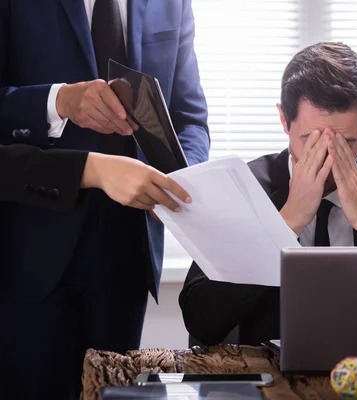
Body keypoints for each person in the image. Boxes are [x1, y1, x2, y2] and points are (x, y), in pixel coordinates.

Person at [0, 0, 209, 398]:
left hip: (129, 251)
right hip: (27, 250)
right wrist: (58, 101)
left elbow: (190, 117)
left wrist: (182, 181)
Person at [179, 42, 357, 347]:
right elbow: (202, 320)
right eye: (311, 140)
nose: (329, 157)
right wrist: (284, 225)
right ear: (284, 121)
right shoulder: (237, 190)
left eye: (347, 143)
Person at [0, 144, 189, 212]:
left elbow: (190, 118)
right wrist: (90, 169)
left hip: (133, 249)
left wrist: (175, 181)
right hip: (28, 239)